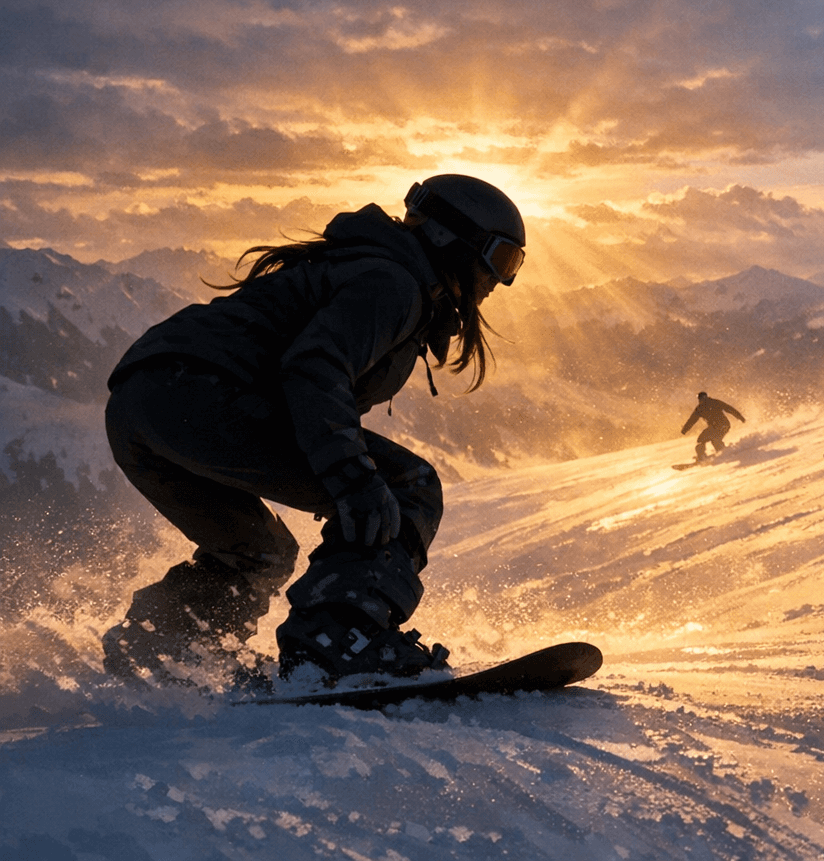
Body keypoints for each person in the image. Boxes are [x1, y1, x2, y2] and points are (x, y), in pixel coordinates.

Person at [100, 174, 526, 686]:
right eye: (502, 260)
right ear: (452, 239)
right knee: (405, 485)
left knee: (260, 553)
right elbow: (313, 369)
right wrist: (352, 477)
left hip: (143, 406)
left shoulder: (367, 266)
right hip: (201, 395)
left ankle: (160, 648)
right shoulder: (393, 283)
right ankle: (336, 642)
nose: (501, 281)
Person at [681, 391, 745, 462]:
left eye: (702, 399)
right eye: (701, 399)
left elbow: (729, 408)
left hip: (720, 425)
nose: (702, 400)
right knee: (711, 439)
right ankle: (721, 452)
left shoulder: (705, 406)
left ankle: (704, 456)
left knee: (705, 439)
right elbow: (692, 420)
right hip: (722, 425)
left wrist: (740, 417)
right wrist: (685, 429)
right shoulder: (708, 405)